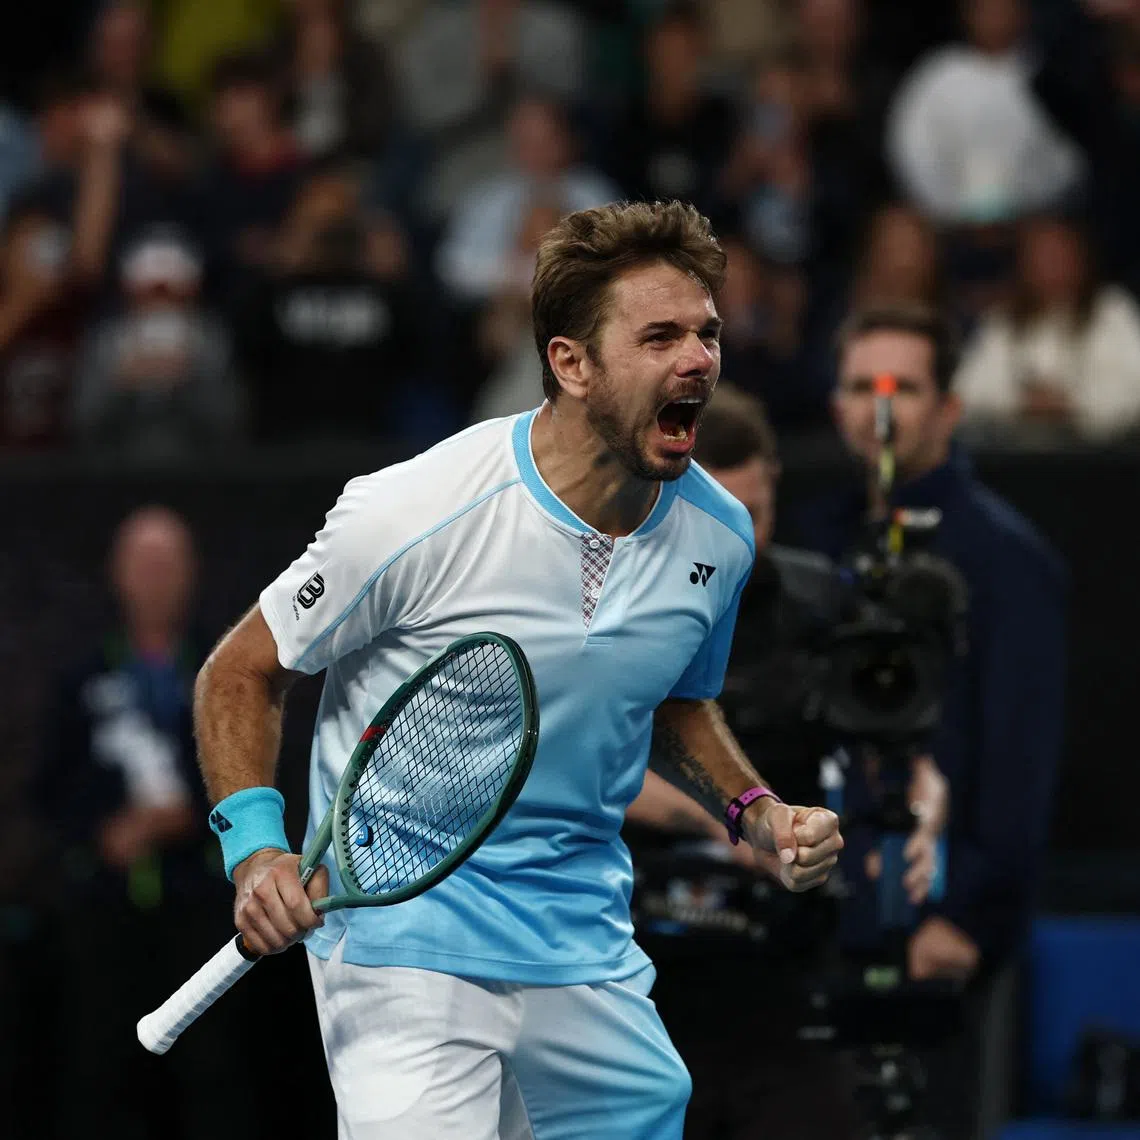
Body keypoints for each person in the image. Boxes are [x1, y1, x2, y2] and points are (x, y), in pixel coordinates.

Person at [192, 200, 844, 1139]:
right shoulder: (410, 511)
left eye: (706, 333)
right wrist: (257, 852)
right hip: (403, 942)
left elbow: (673, 700)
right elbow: (242, 672)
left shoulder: (720, 536)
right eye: (659, 336)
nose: (699, 360)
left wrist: (757, 813)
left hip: (583, 943)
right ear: (571, 364)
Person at [624, 383, 948, 1140]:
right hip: (636, 953)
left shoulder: (819, 601)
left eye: (755, 514)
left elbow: (899, 733)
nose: (740, 539)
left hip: (781, 961)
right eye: (718, 517)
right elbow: (582, 755)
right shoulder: (613, 600)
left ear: (774, 486)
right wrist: (741, 826)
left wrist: (923, 818)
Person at [791, 301, 1067, 1138]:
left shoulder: (1006, 559)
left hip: (941, 933)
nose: (879, 410)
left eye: (902, 388)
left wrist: (968, 920)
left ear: (948, 406)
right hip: (818, 920)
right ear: (834, 404)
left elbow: (1020, 759)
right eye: (860, 387)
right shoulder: (813, 543)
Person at [36, 506, 255, 1140]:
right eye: (143, 563)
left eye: (168, 563)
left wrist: (193, 819)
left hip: (203, 906)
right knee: (99, 1069)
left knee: (212, 1071)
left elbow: (264, 771)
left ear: (191, 572)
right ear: (117, 573)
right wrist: (102, 833)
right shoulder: (80, 676)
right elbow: (48, 789)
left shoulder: (226, 671)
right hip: (103, 908)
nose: (156, 577)